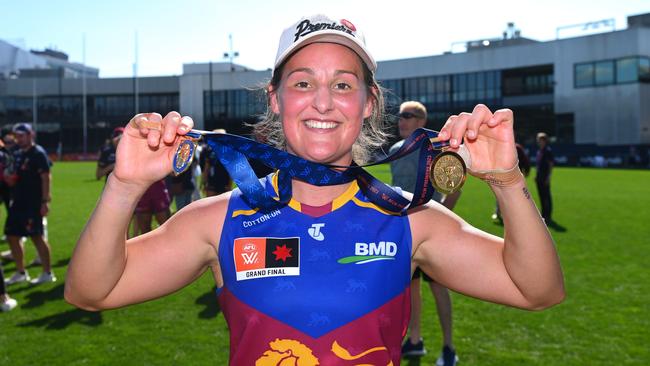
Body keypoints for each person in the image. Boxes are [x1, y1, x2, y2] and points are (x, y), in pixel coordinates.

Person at [65, 15, 564, 365]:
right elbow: (90, 291)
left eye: (344, 85)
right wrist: (124, 187)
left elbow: (537, 290)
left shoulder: (412, 221)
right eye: (303, 83)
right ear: (275, 97)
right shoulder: (217, 220)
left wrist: (507, 181)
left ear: (369, 103)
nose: (323, 103)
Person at [390, 101, 459, 365]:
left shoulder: (436, 150)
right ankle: (415, 341)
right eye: (399, 116)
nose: (401, 121)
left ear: (421, 121)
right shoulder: (396, 150)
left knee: (439, 288)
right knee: (411, 288)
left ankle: (449, 347)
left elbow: (454, 190)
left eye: (406, 116)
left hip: (433, 235)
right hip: (406, 234)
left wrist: (441, 223)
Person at [4, 123, 55, 285]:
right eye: (16, 136)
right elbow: (14, 177)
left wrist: (45, 201)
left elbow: (46, 177)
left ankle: (47, 273)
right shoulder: (18, 154)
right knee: (11, 236)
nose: (19, 139)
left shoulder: (38, 153)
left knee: (36, 237)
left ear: (30, 135)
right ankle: (21, 272)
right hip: (17, 202)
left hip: (33, 204)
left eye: (22, 135)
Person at [492, 143, 531, 222]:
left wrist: (526, 170)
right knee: (500, 194)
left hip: (514, 177)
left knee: (514, 196)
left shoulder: (517, 148)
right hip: (502, 174)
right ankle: (498, 212)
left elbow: (525, 160)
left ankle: (514, 214)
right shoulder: (500, 147)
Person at [199, 129, 232, 197]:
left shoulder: (227, 151)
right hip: (213, 182)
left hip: (223, 182)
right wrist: (204, 182)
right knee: (211, 204)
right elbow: (206, 168)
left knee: (223, 205)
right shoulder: (208, 150)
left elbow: (230, 170)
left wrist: (229, 184)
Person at [535, 132, 554, 223]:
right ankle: (543, 215)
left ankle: (548, 216)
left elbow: (551, 165)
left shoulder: (547, 151)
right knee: (541, 196)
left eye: (540, 140)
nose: (538, 141)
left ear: (544, 141)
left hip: (545, 177)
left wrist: (548, 177)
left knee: (547, 197)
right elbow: (538, 165)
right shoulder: (540, 151)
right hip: (539, 177)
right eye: (538, 140)